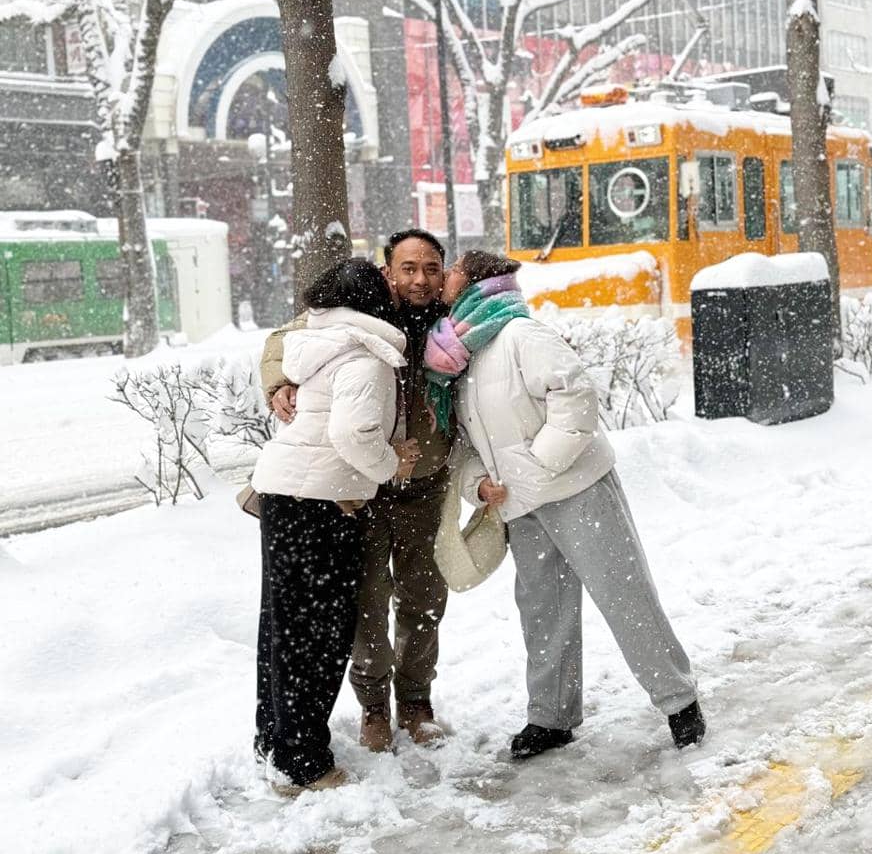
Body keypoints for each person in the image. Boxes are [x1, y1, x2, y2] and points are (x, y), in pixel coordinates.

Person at [425, 249, 705, 760]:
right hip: (519, 505)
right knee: (543, 610)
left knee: (624, 595)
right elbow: (466, 443)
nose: (441, 279)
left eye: (451, 271)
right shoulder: (460, 354)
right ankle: (551, 717)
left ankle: (679, 702)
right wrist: (479, 485)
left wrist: (539, 463)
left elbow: (575, 396)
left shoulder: (519, 335)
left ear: (475, 283)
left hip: (576, 489)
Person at [260, 229, 453, 752]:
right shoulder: (366, 314)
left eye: (431, 268)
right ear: (388, 271)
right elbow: (286, 339)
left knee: (424, 598)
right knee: (367, 603)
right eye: (408, 267)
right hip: (362, 489)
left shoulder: (453, 322)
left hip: (424, 484)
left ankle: (416, 700)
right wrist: (279, 381)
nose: (420, 278)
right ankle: (373, 706)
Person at [251, 258, 420, 795]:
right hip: (319, 501)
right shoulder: (365, 358)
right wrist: (393, 463)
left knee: (282, 626)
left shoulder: (318, 345)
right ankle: (305, 764)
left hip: (286, 493)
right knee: (318, 636)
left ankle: (276, 739)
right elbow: (353, 435)